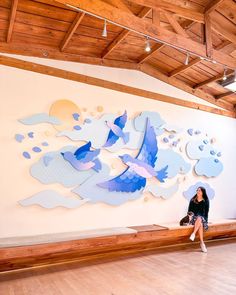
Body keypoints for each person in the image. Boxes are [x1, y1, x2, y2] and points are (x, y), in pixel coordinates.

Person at [188, 187, 209, 253]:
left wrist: (206, 220)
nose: (198, 191)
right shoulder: (192, 200)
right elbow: (189, 211)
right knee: (199, 222)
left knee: (200, 219)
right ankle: (202, 243)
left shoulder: (206, 200)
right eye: (197, 190)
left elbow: (206, 212)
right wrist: (190, 217)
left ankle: (193, 233)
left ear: (203, 192)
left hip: (202, 218)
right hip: (193, 218)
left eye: (199, 190)